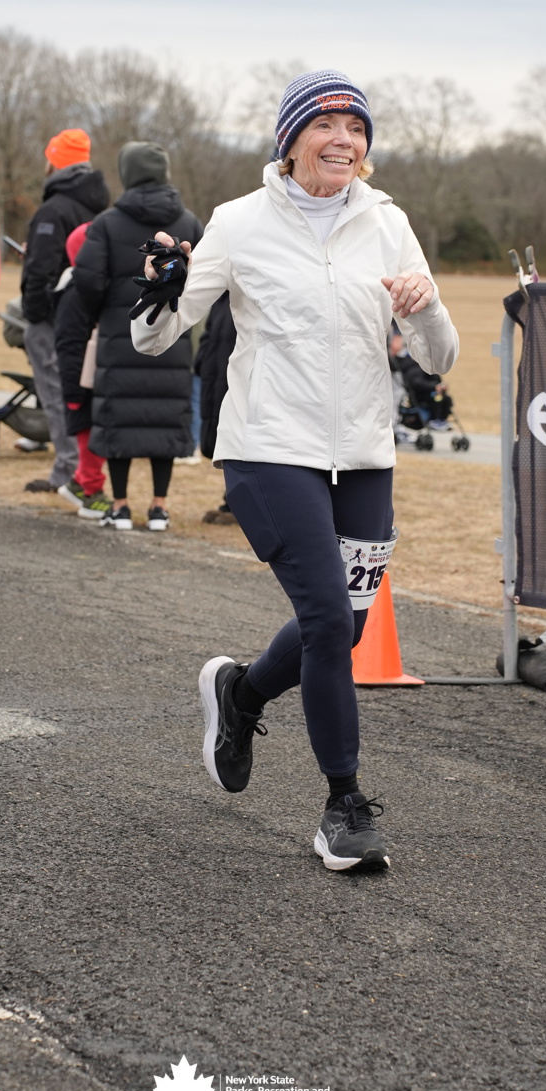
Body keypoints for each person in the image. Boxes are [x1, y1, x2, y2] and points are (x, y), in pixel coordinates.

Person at [132, 70, 459, 870]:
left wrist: (424, 307)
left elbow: (439, 358)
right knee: (327, 621)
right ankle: (343, 806)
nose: (343, 139)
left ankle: (240, 693)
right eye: (325, 124)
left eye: (356, 127)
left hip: (364, 454)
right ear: (290, 140)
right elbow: (156, 336)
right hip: (268, 448)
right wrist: (161, 290)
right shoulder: (239, 223)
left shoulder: (387, 223)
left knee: (345, 625)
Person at [71, 141, 202, 530]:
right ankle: (159, 506)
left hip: (121, 332)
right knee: (164, 416)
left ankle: (121, 504)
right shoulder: (189, 223)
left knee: (119, 418)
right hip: (172, 334)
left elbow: (87, 281)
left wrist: (106, 307)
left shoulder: (107, 223)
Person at [20, 128, 110, 493]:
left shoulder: (54, 209)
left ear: (56, 162)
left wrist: (34, 312)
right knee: (79, 395)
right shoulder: (98, 206)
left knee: (57, 395)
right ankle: (80, 467)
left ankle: (67, 469)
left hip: (52, 318)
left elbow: (41, 267)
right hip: (85, 315)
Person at [54, 223, 113, 519]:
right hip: (82, 379)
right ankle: (92, 492)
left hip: (94, 374)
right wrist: (73, 391)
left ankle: (78, 482)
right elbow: (68, 344)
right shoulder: (75, 293)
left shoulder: (93, 287)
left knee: (97, 429)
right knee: (89, 433)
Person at [194, 291, 237, 524]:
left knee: (239, 440)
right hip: (216, 371)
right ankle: (231, 500)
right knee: (225, 441)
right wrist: (202, 358)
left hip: (236, 376)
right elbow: (210, 330)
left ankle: (237, 503)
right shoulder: (224, 295)